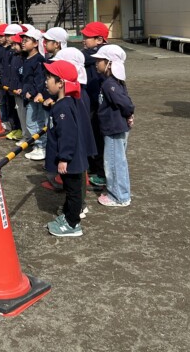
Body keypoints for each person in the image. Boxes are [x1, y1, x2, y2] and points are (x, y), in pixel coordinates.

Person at [43, 60, 96, 237]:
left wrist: (64, 157)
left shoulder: (63, 106)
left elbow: (67, 134)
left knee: (73, 192)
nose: (46, 81)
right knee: (70, 190)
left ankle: (73, 224)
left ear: (61, 83)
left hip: (71, 160)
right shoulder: (67, 102)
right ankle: (68, 216)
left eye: (49, 77)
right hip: (72, 158)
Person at [91, 44, 135, 207]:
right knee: (117, 161)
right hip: (115, 128)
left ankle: (119, 196)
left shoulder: (110, 84)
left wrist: (129, 113)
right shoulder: (112, 82)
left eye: (100, 61)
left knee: (114, 163)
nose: (96, 63)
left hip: (114, 129)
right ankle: (120, 191)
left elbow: (126, 103)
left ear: (109, 63)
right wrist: (129, 114)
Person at [81, 21, 109, 188]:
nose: (84, 39)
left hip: (99, 104)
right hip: (91, 101)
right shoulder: (89, 53)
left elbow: (82, 57)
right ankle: (93, 166)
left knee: (98, 138)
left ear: (99, 39)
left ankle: (102, 173)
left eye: (87, 37)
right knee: (91, 135)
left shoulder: (100, 54)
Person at [20, 28, 48, 160]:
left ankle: (41, 146)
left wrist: (31, 92)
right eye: (23, 40)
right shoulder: (27, 58)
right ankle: (37, 145)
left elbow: (40, 80)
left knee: (35, 122)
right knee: (32, 122)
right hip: (29, 96)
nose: (23, 43)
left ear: (36, 43)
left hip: (35, 97)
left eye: (26, 40)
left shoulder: (39, 60)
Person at [5, 33, 25, 140]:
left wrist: (20, 87)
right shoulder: (14, 56)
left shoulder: (24, 58)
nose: (13, 47)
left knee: (23, 114)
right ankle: (18, 129)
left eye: (15, 45)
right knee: (16, 111)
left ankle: (24, 133)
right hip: (13, 89)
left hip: (21, 91)